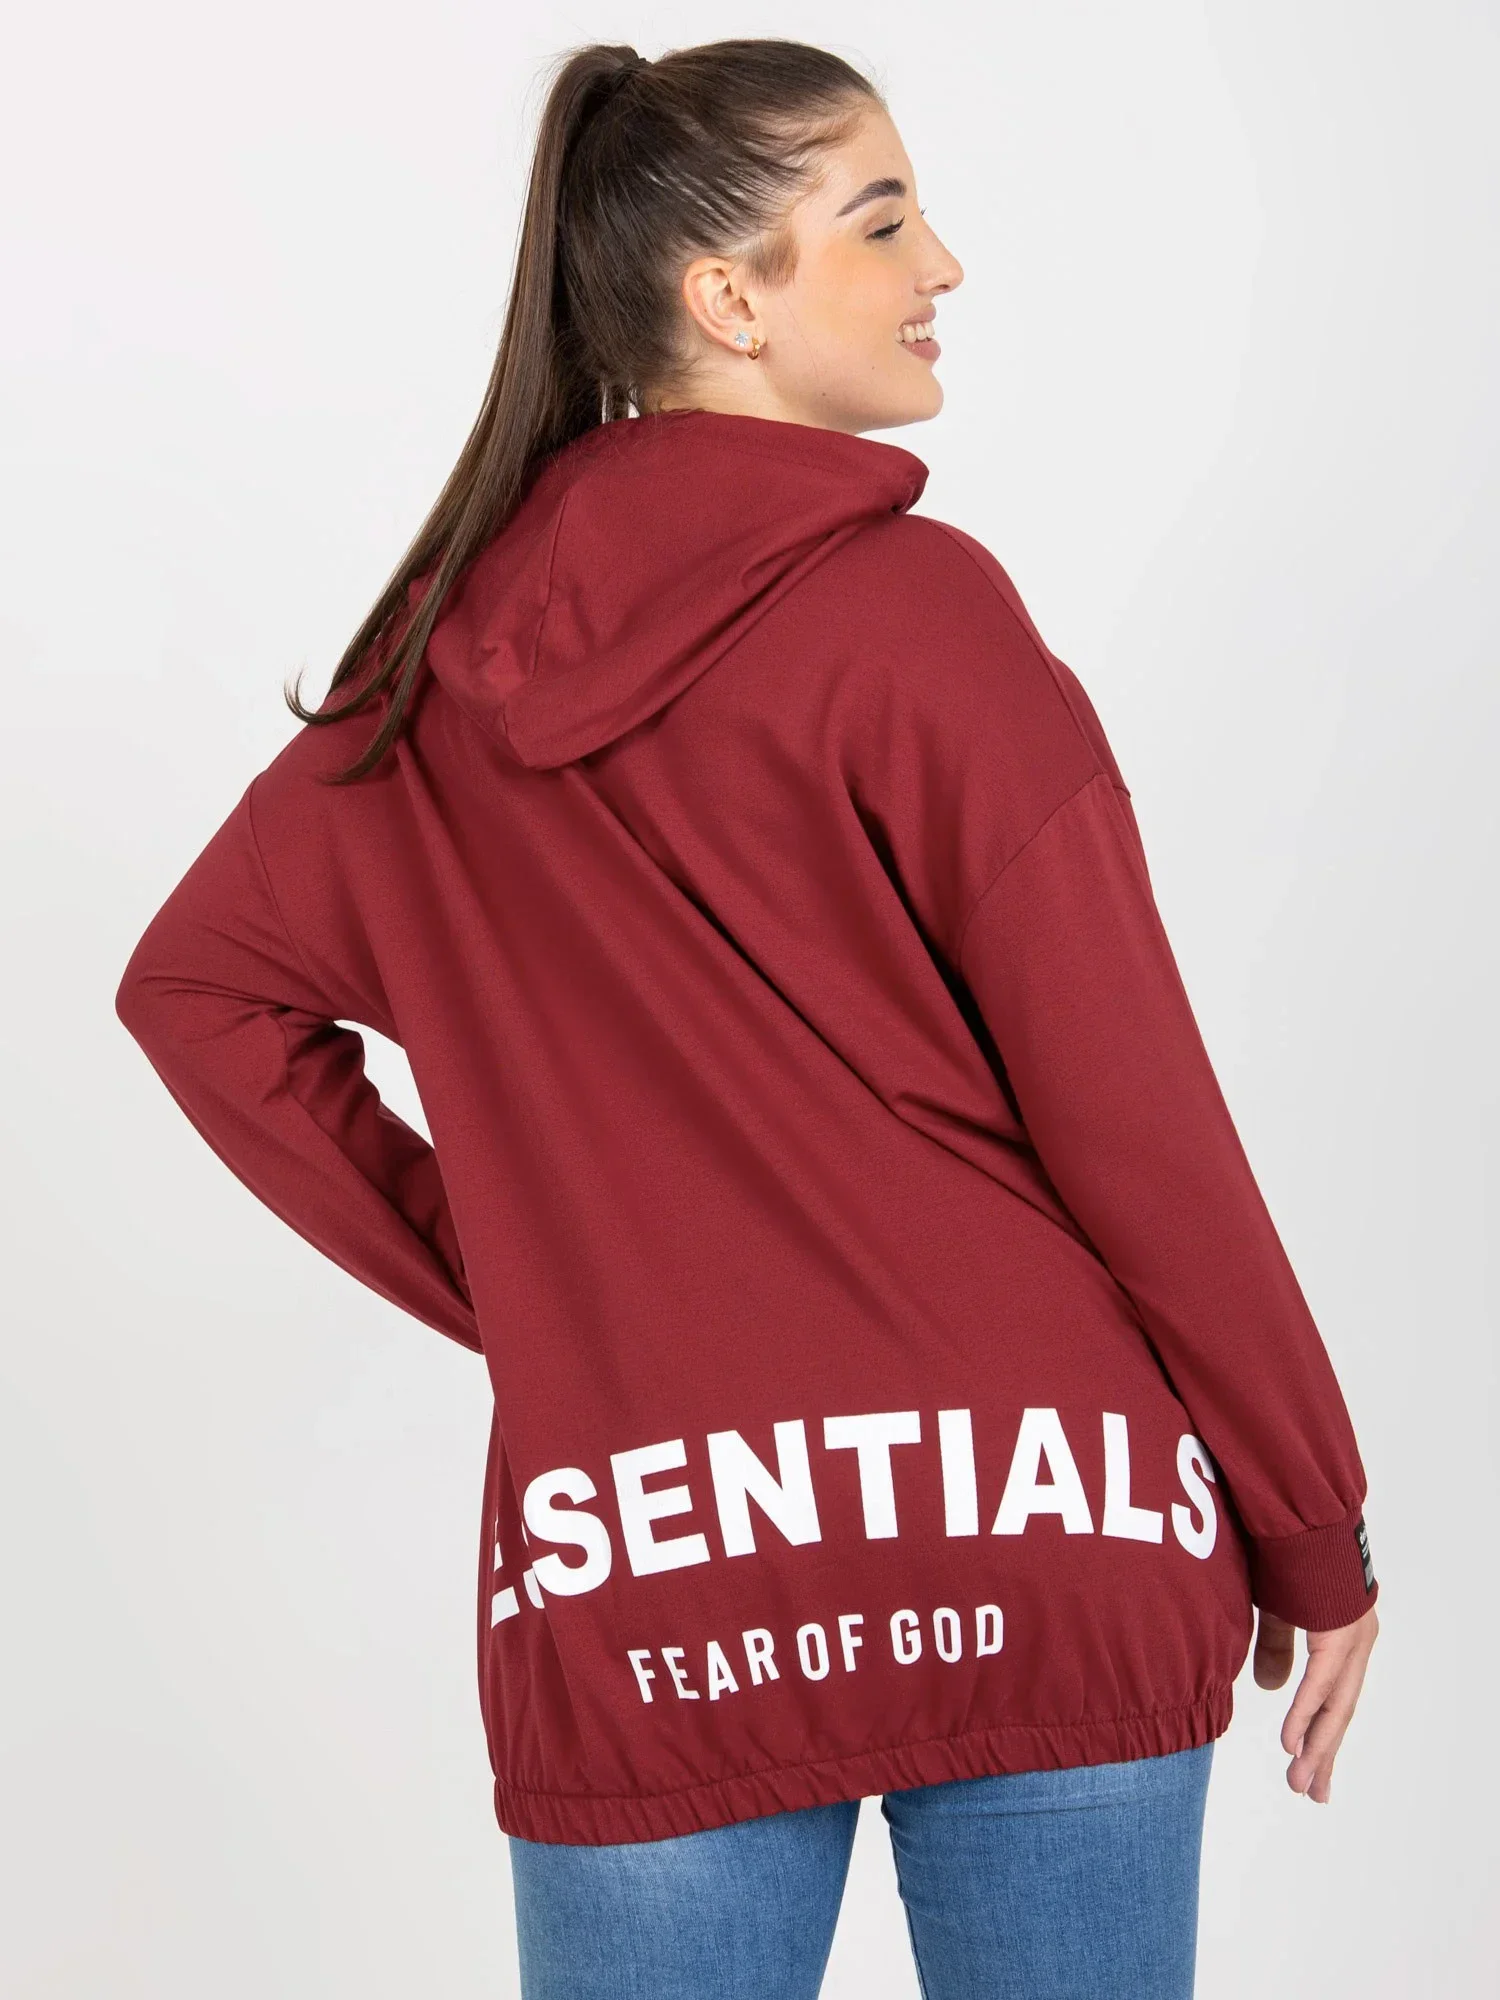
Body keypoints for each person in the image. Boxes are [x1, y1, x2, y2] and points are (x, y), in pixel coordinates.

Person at [113, 36, 1381, 2000]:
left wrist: (552, 1276)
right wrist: (1311, 1525)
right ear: (730, 298)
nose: (941, 262)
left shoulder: (432, 677)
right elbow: (1139, 1121)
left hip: (652, 1560)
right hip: (1040, 1509)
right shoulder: (922, 619)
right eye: (881, 221)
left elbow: (198, 994)